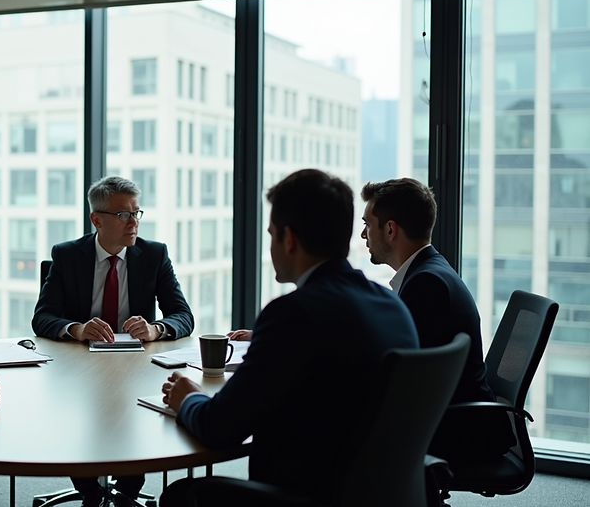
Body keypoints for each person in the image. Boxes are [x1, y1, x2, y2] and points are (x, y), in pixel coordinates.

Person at [159, 169, 419, 507]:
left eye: (271, 234)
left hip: (307, 495)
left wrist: (187, 398)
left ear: (289, 239)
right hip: (381, 493)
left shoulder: (292, 314)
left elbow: (220, 429)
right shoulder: (391, 305)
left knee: (180, 496)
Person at [32, 176, 193, 507]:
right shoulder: (67, 256)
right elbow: (43, 317)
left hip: (135, 367)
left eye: (137, 213)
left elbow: (183, 315)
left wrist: (155, 329)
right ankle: (89, 492)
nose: (133, 222)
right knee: (80, 420)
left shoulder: (153, 255)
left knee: (136, 421)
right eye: (123, 215)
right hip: (79, 368)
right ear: (96, 219)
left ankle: (125, 494)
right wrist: (76, 329)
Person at [360, 177, 513, 463]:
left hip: (457, 430)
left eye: (368, 224)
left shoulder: (427, 284)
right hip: (458, 417)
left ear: (390, 229)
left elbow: (402, 374)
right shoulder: (430, 271)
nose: (362, 234)